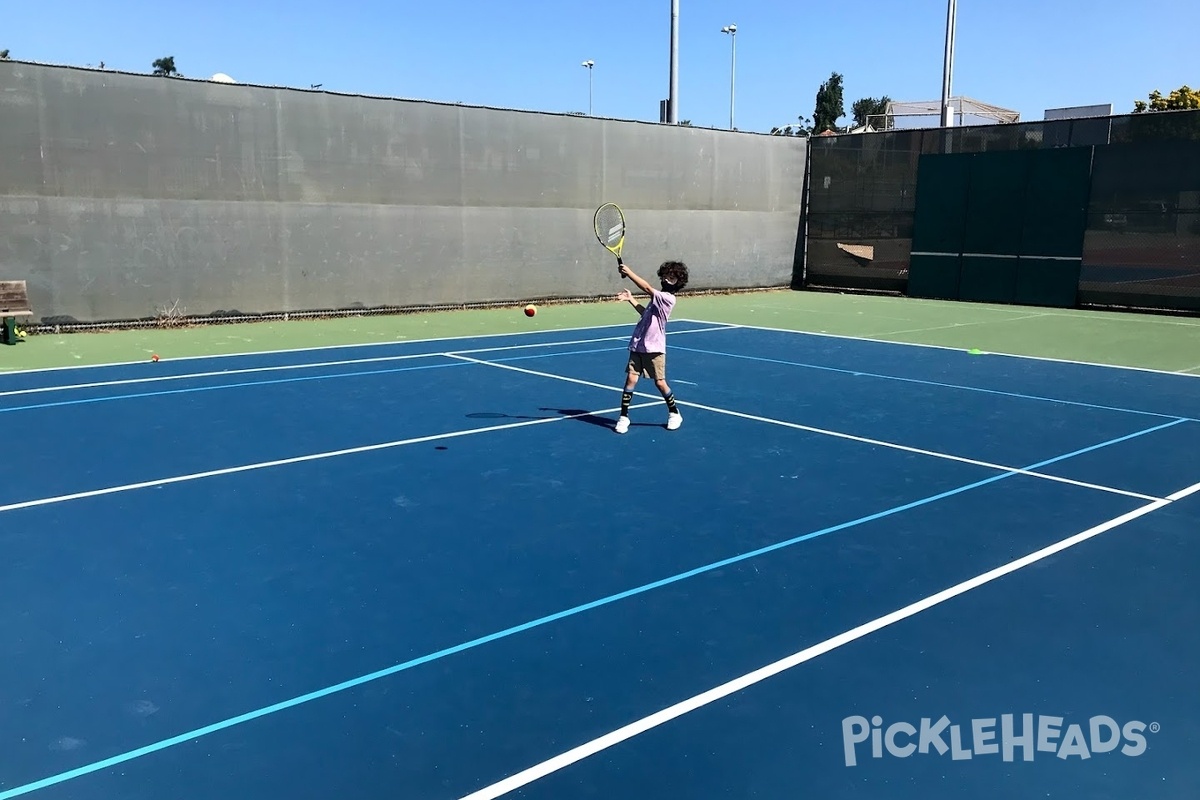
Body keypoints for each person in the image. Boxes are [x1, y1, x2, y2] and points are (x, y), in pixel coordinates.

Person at [613, 259, 689, 434]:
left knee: (660, 383)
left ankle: (674, 413)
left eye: (673, 277)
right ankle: (623, 417)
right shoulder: (657, 299)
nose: (668, 279)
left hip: (655, 349)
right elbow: (645, 313)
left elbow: (647, 288)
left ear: (678, 282)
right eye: (667, 275)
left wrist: (629, 272)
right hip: (638, 345)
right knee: (631, 380)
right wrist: (631, 299)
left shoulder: (667, 299)